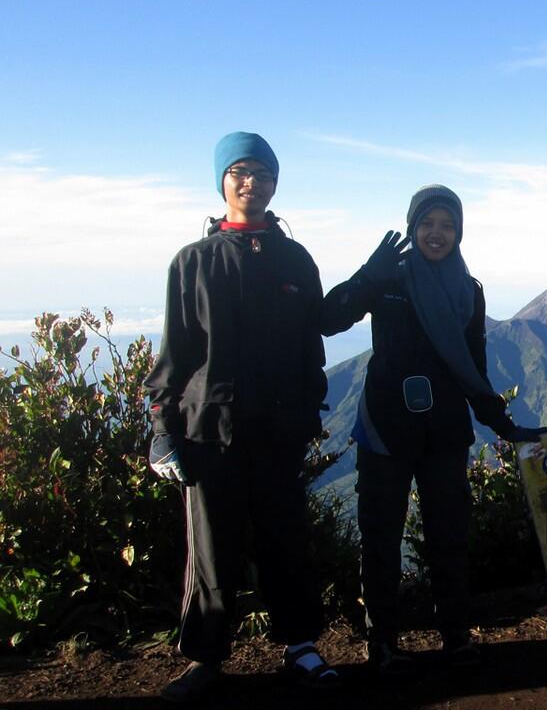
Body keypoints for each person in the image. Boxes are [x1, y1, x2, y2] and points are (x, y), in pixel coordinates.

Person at [144, 132, 338, 702]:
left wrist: (309, 405)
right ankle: (206, 656)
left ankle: (300, 645)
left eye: (263, 173)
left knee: (287, 539)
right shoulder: (193, 263)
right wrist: (161, 432)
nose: (251, 182)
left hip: (279, 430)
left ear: (276, 183)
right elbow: (174, 354)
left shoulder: (295, 259)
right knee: (211, 546)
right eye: (239, 171)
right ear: (222, 181)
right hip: (211, 433)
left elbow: (313, 340)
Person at [321, 184, 545, 675]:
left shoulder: (470, 289)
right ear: (412, 227)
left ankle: (456, 634)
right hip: (385, 426)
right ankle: (381, 640)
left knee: (450, 534)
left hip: (444, 429)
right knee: (380, 535)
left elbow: (472, 366)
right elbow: (328, 319)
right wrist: (365, 276)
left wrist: (502, 424)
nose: (437, 233)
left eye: (447, 225)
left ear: (459, 232)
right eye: (427, 224)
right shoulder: (388, 280)